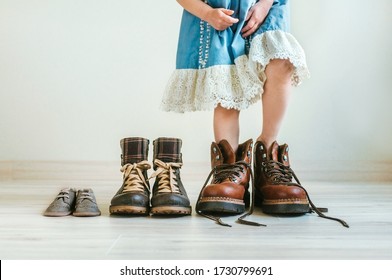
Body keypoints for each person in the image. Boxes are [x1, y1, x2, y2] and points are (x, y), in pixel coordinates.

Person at [162, 0, 348, 227]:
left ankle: (268, 156)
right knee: (227, 83)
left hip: (263, 5)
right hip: (216, 12)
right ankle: (229, 168)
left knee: (281, 62)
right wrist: (207, 13)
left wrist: (265, 4)